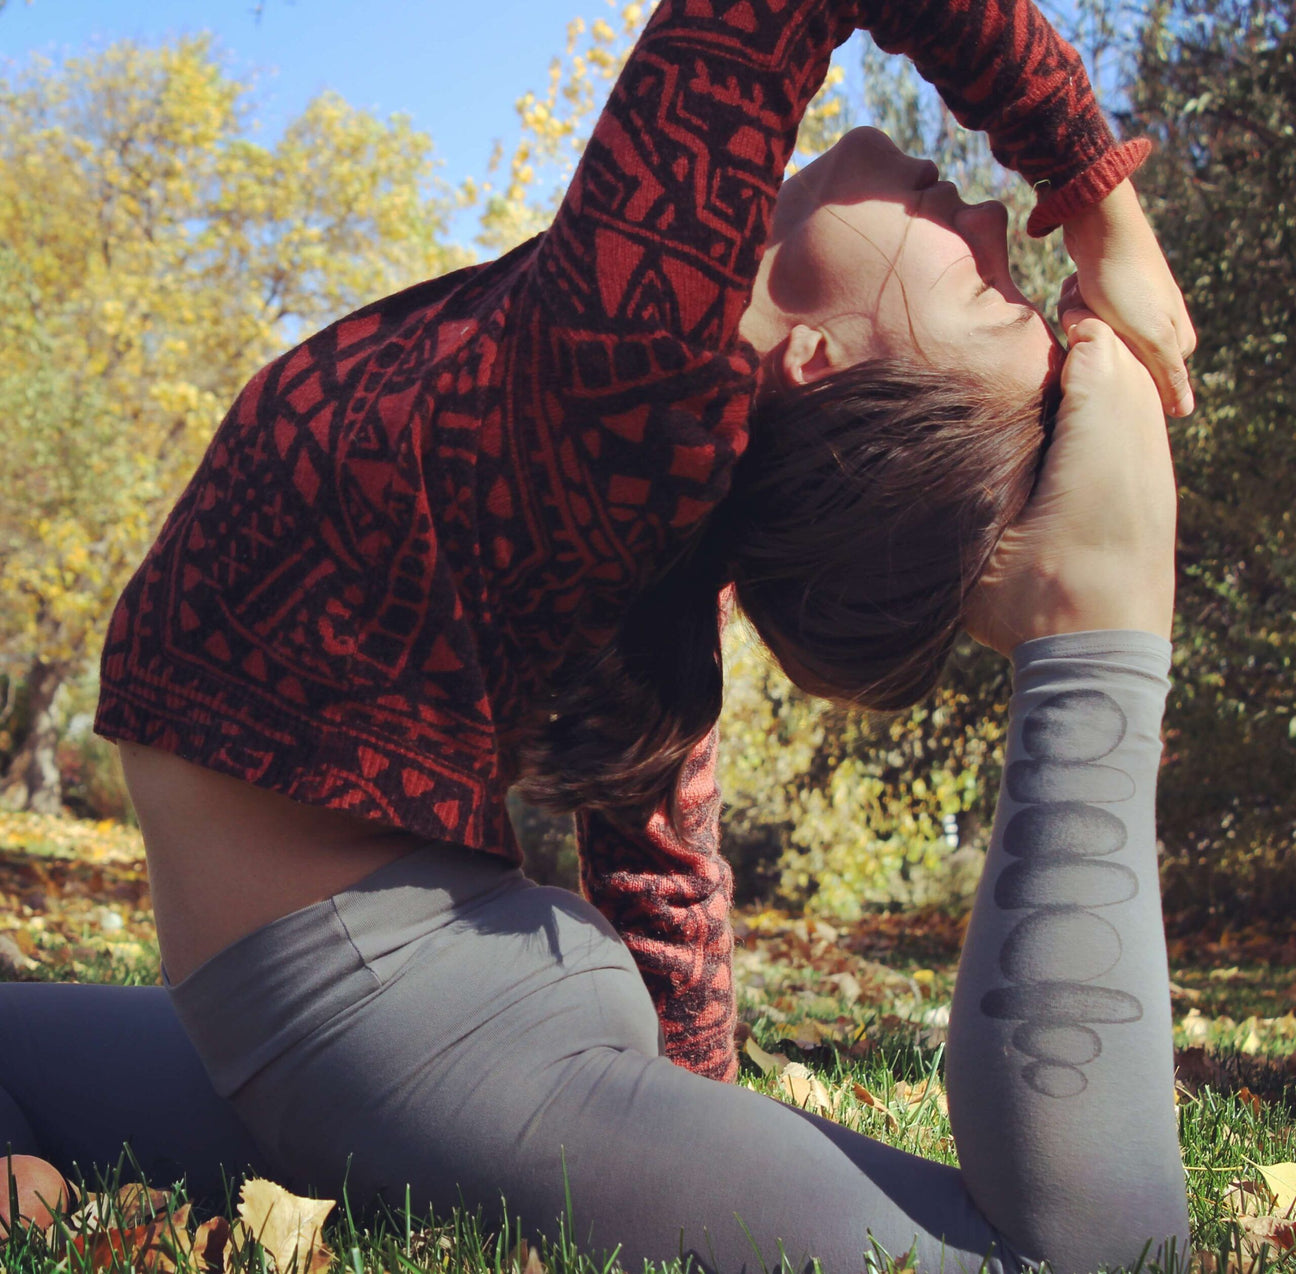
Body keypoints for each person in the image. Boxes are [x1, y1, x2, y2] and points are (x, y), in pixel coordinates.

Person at [1, 0, 1197, 1268]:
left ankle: (1098, 633)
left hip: (420, 1027)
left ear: (822, 362)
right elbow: (661, 876)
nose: (995, 222)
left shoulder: (637, 363)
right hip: (347, 1024)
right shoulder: (637, 489)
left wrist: (1095, 203)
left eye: (996, 297)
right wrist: (689, 1116)